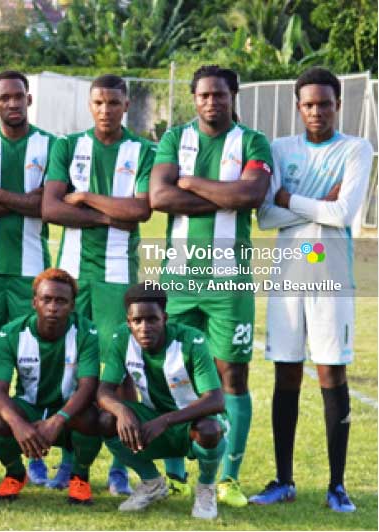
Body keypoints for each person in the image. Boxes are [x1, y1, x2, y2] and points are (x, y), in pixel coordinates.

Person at [149, 65, 273, 507]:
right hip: (179, 278)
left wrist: (190, 183)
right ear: (194, 98)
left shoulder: (253, 141)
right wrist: (224, 192)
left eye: (219, 95)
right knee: (173, 372)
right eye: (203, 95)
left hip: (230, 280)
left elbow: (251, 196)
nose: (211, 102)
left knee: (231, 375)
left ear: (232, 95)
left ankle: (230, 478)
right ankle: (178, 473)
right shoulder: (173, 140)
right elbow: (159, 198)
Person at [252, 67, 372, 513]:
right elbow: (265, 216)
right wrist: (315, 204)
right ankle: (284, 479)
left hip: (332, 278)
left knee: (330, 373)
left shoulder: (357, 148)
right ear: (298, 107)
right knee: (286, 374)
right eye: (308, 104)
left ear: (338, 104)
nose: (316, 111)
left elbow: (342, 214)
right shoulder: (281, 148)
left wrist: (292, 200)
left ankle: (336, 485)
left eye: (324, 103)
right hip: (286, 278)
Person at [42, 74, 155, 495]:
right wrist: (111, 216)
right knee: (70, 368)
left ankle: (120, 466)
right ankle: (70, 459)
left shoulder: (143, 150)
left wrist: (85, 197)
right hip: (71, 276)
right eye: (99, 103)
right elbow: (52, 209)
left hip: (116, 279)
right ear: (90, 106)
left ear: (126, 105)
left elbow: (140, 210)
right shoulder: (68, 146)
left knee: (117, 374)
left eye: (113, 102)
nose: (105, 109)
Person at [0, 70, 56, 485]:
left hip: (33, 273)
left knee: (34, 368)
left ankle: (35, 452)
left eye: (20, 96)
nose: (13, 103)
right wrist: (24, 201)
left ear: (29, 100)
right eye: (5, 98)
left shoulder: (50, 145)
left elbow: (47, 206)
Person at [97, 283, 226, 519]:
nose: (144, 327)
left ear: (164, 318)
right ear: (128, 322)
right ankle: (152, 482)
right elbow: (103, 391)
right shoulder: (122, 339)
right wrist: (123, 412)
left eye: (152, 319)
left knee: (209, 429)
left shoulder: (191, 340)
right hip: (152, 419)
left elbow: (216, 400)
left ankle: (206, 487)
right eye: (137, 321)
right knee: (106, 419)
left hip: (191, 421)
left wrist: (165, 421)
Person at [0, 268, 104, 505]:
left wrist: (58, 419)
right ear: (34, 302)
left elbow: (88, 386)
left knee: (93, 418)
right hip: (29, 407)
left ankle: (80, 477)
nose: (53, 307)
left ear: (72, 305)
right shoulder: (12, 333)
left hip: (68, 411)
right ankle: (15, 474)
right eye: (46, 299)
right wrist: (18, 424)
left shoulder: (86, 332)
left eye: (61, 301)